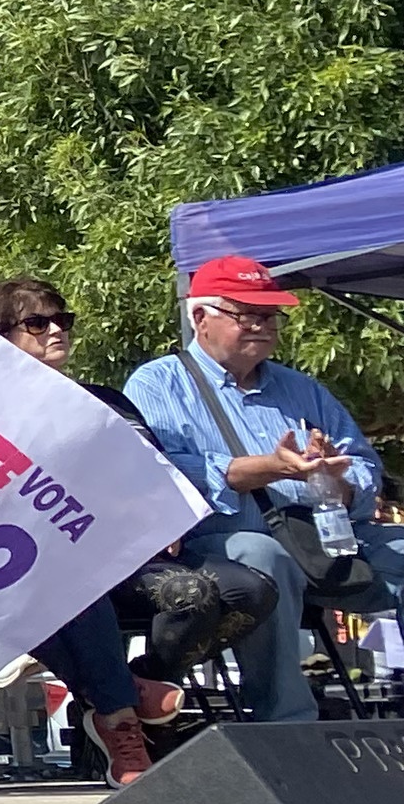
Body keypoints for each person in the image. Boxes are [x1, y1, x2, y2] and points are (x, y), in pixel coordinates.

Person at [128, 256, 404, 725]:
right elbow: (159, 473)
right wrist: (268, 469)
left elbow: (364, 466)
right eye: (246, 314)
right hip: (218, 542)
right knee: (264, 557)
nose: (261, 325)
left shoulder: (303, 389)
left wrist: (338, 483)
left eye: (269, 316)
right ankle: (289, 724)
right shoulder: (159, 384)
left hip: (325, 536)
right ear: (201, 318)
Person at [0, 277, 191, 781]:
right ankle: (122, 706)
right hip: (7, 565)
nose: (56, 331)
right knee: (66, 576)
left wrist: (159, 514)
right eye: (36, 323)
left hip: (112, 558)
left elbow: (156, 476)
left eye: (62, 320)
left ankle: (121, 702)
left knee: (245, 585)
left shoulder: (102, 401)